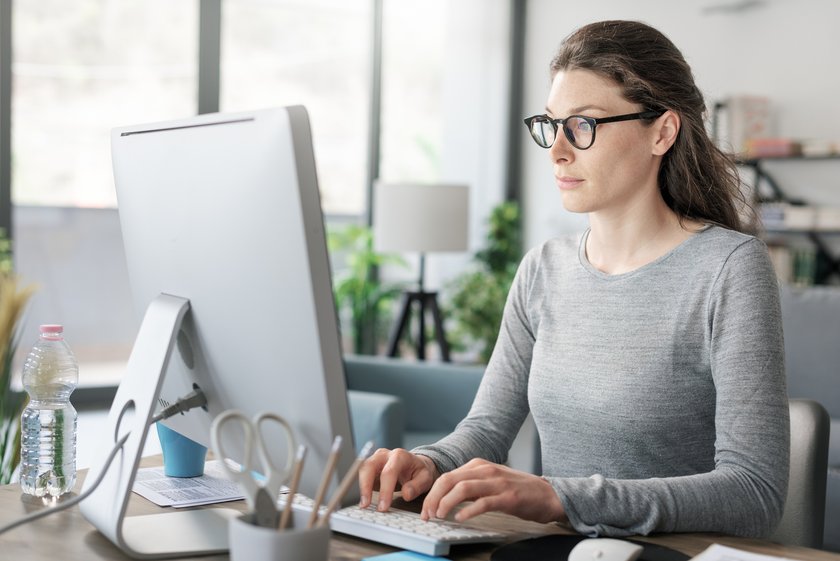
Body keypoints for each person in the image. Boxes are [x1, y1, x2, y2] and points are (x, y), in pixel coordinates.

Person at [358, 20, 789, 538]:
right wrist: (429, 462)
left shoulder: (729, 268)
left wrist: (560, 497)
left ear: (662, 132)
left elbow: (755, 492)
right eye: (551, 124)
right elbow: (486, 429)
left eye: (583, 125)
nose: (557, 150)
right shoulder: (542, 268)